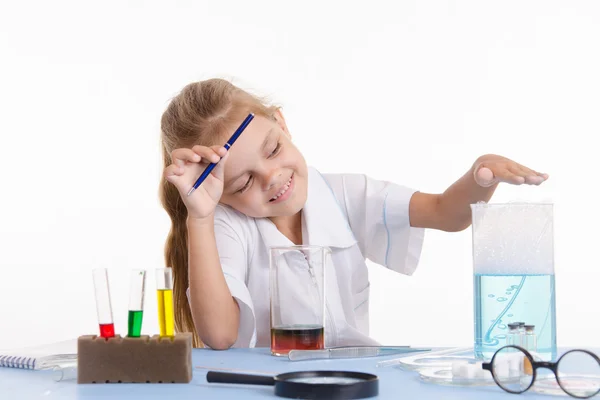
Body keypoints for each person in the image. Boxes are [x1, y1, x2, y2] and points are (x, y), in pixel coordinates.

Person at [158, 78, 548, 350]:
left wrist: (480, 177)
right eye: (243, 184)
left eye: (274, 149)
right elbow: (221, 336)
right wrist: (200, 217)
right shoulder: (225, 225)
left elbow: (447, 213)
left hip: (350, 380)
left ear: (282, 123)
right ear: (219, 196)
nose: (273, 179)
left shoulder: (344, 194)